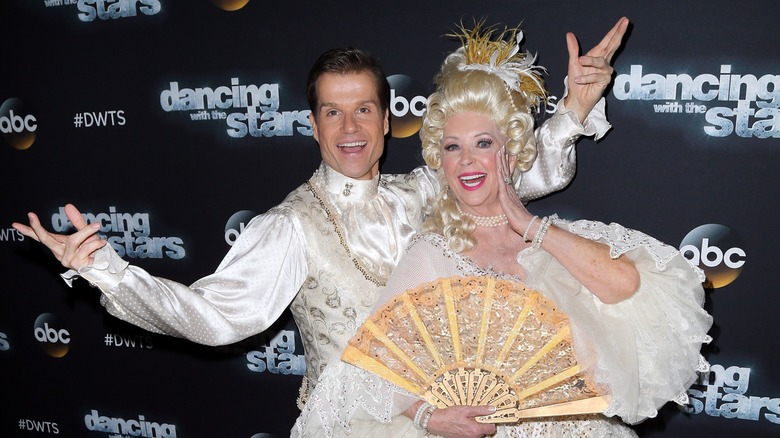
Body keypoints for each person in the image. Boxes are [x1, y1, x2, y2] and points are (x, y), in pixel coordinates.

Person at [12, 19, 626, 417]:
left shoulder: (425, 190)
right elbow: (214, 318)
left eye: (364, 110)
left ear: (389, 122)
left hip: (459, 419)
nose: (351, 128)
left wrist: (575, 106)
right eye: (333, 112)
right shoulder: (289, 227)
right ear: (312, 125)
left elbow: (523, 175)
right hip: (353, 426)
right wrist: (109, 271)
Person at [292, 20, 712, 438]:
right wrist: (428, 416)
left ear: (511, 154)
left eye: (484, 143)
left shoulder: (550, 237)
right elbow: (373, 364)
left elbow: (628, 286)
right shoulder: (434, 252)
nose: (467, 160)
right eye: (453, 147)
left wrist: (532, 227)